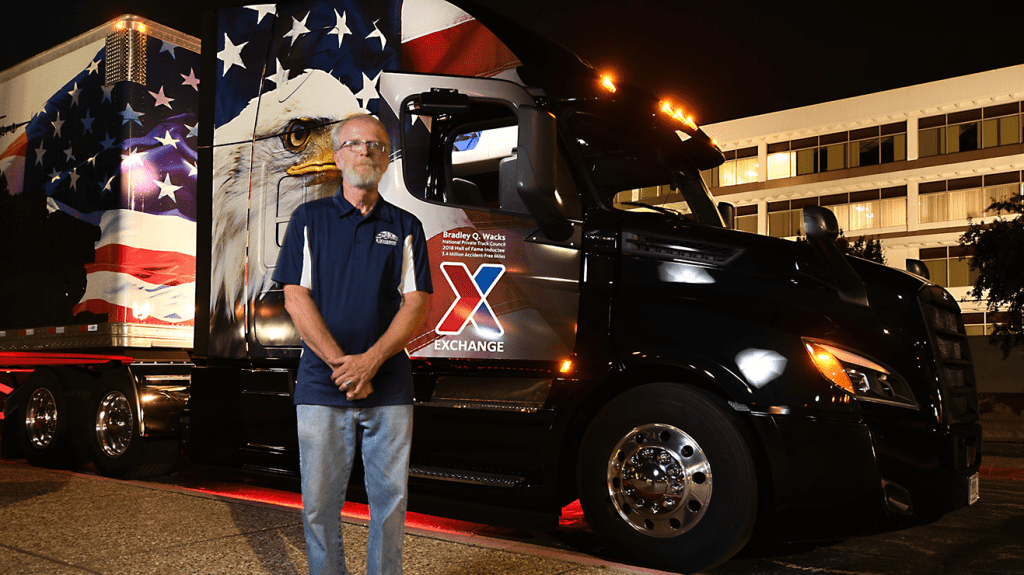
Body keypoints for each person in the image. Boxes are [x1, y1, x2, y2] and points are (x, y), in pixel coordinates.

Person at [273, 113, 432, 575]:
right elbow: (295, 298)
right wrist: (344, 366)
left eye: (378, 146)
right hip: (322, 387)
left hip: (389, 387)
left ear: (386, 161)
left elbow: (416, 301)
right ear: (339, 157)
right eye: (356, 144)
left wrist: (372, 362)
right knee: (320, 508)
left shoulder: (405, 225)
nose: (366, 151)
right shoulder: (309, 219)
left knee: (390, 506)